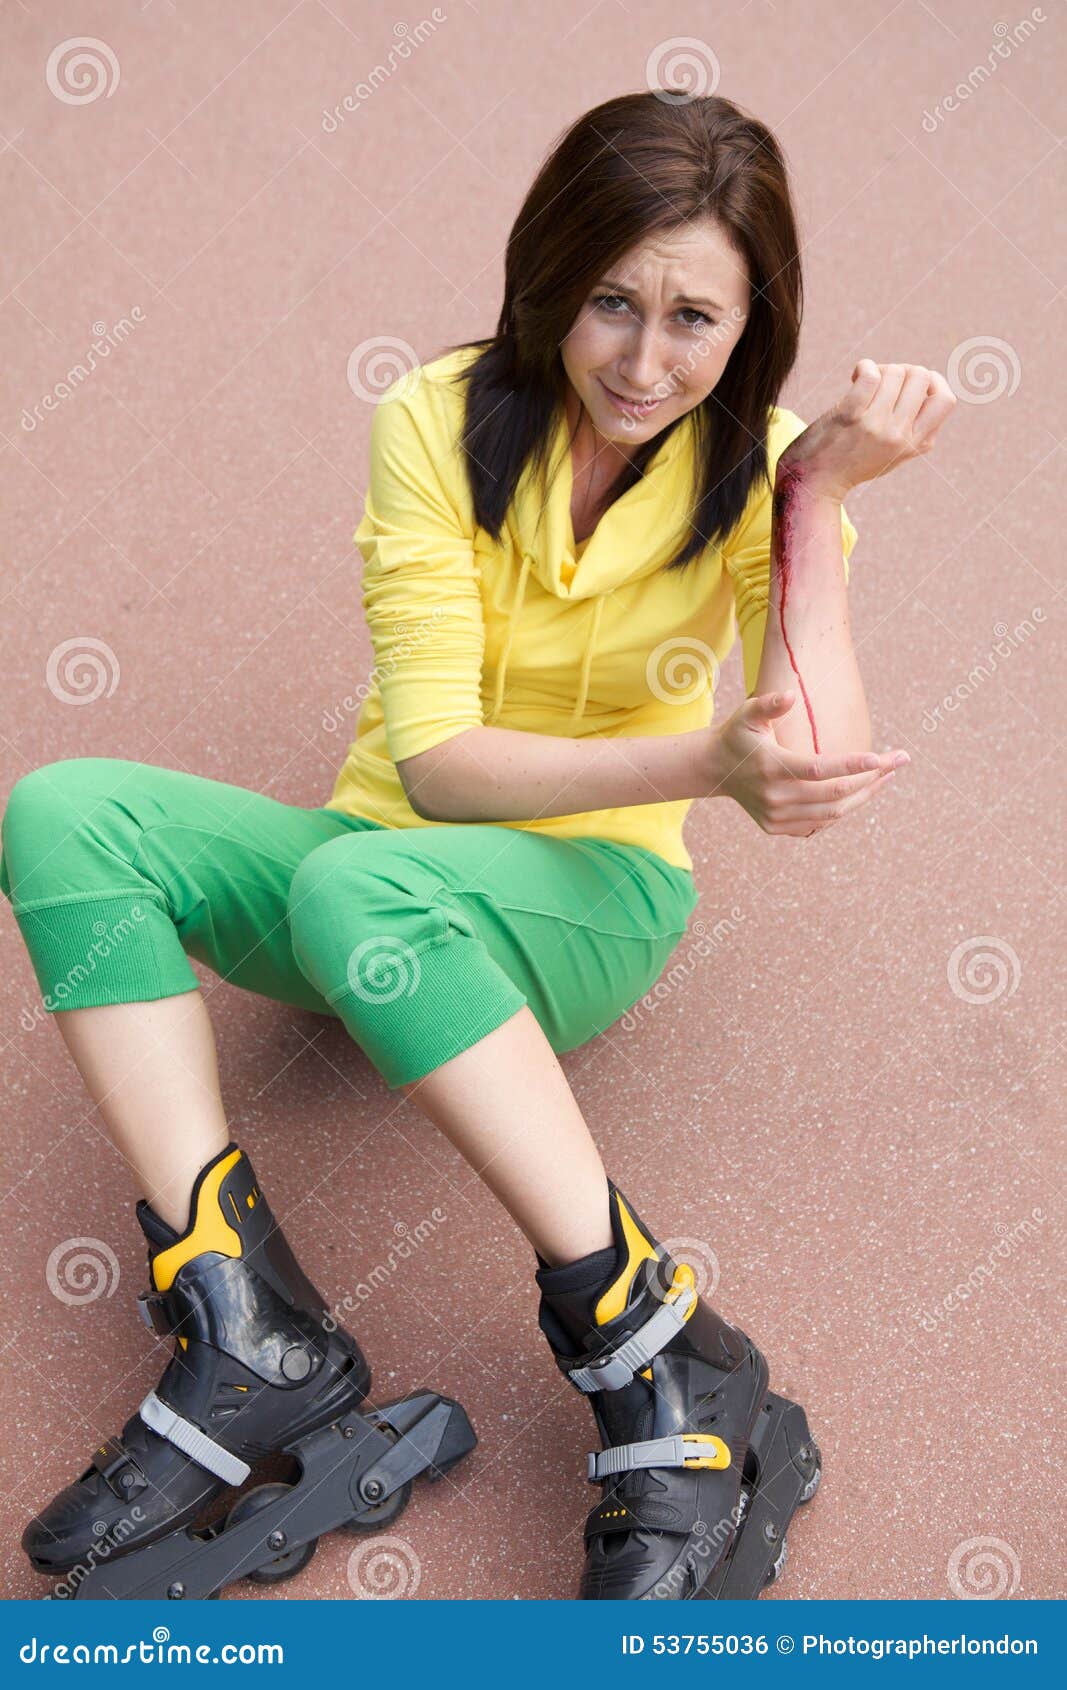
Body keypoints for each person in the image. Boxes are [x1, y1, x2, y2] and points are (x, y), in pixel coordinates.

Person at [0, 88, 954, 1600]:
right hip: (369, 866)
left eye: (695, 319)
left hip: (588, 898)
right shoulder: (435, 420)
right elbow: (437, 767)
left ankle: (660, 1351)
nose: (644, 362)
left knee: (354, 885)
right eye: (611, 303)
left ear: (753, 323)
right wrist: (706, 758)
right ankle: (251, 1330)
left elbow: (819, 748)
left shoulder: (759, 463)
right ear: (547, 279)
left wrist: (817, 489)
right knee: (60, 812)